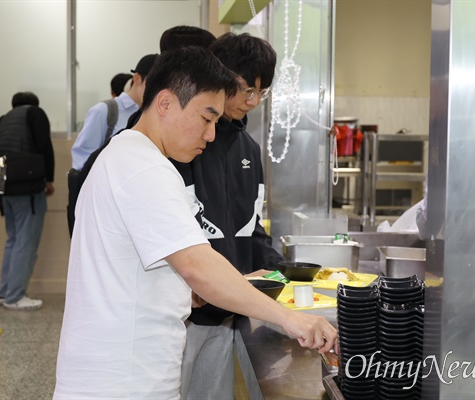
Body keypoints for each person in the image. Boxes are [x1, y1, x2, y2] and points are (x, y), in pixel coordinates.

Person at [53, 46, 338, 400]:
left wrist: (233, 284)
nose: (211, 135)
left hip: (115, 374)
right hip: (124, 381)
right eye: (206, 119)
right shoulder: (145, 167)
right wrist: (290, 318)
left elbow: (153, 274)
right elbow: (195, 266)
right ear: (166, 103)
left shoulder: (125, 155)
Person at [176, 32, 282, 400]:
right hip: (183, 314)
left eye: (260, 93)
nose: (251, 102)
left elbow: (252, 225)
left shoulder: (249, 149)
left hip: (227, 312)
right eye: (245, 90)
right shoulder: (184, 144)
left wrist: (278, 271)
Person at [67, 53, 158, 235]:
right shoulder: (105, 111)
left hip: (132, 204)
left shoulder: (152, 114)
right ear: (137, 79)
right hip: (100, 204)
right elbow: (82, 158)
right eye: (153, 85)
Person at [0, 92, 55, 310]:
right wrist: (49, 178)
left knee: (13, 240)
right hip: (25, 186)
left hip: (3, 186)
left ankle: (5, 292)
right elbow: (44, 145)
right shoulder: (34, 113)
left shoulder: (3, 120)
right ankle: (15, 296)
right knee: (25, 242)